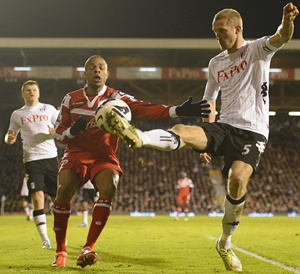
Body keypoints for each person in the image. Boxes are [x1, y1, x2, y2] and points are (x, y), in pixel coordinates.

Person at [109, 3, 298, 272]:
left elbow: (283, 36)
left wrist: (287, 20)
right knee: (183, 131)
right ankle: (139, 137)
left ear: (237, 28)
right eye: (214, 32)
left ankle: (225, 242)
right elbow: (209, 101)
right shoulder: (216, 63)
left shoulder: (257, 50)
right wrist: (207, 135)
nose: (217, 37)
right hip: (223, 126)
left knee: (237, 179)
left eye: (221, 31)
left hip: (253, 131)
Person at [51, 55, 210, 268]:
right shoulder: (70, 99)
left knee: (110, 185)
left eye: (101, 68)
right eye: (92, 67)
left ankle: (88, 247)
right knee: (63, 191)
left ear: (107, 74)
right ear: (85, 73)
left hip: (104, 155)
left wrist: (177, 110)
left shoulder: (115, 97)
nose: (97, 71)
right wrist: (73, 130)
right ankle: (61, 251)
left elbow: (143, 108)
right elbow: (59, 135)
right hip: (76, 153)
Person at [5, 79, 59, 249]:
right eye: (27, 90)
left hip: (51, 157)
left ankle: (60, 233)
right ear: (23, 94)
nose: (31, 92)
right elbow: (9, 136)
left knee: (58, 200)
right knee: (37, 197)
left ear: (38, 92)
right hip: (32, 159)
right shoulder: (17, 114)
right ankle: (45, 239)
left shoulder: (49, 109)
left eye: (34, 89)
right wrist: (9, 139)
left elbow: (62, 130)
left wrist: (55, 132)